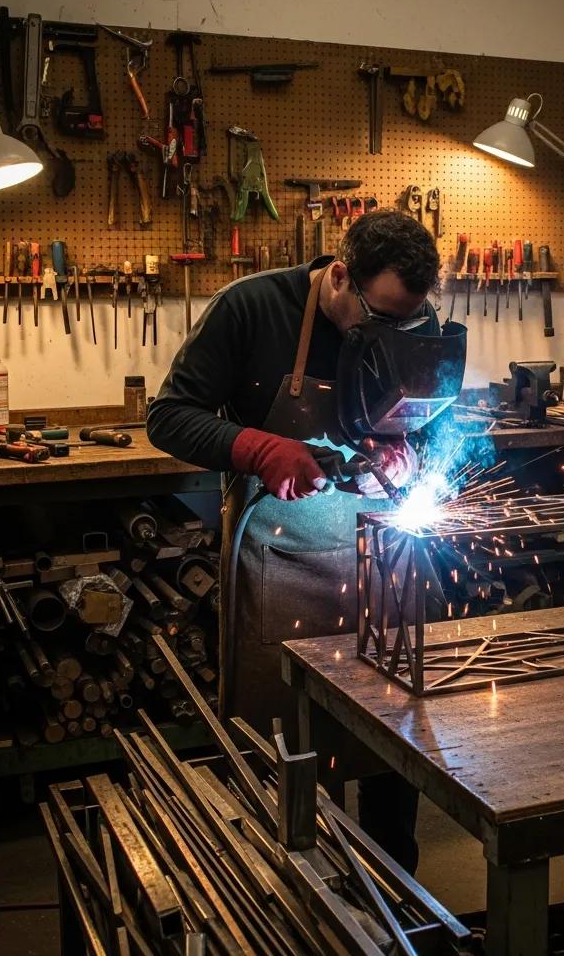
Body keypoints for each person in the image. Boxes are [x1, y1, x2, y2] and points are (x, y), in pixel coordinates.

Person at [147, 210, 447, 871]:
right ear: (340, 277)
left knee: (391, 738)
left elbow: (428, 423)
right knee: (282, 743)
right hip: (278, 557)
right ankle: (288, 887)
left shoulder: (408, 322)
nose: (394, 332)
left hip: (378, 553)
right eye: (382, 317)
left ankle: (393, 884)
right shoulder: (252, 308)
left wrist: (407, 452)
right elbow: (167, 418)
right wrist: (253, 446)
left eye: (407, 321)